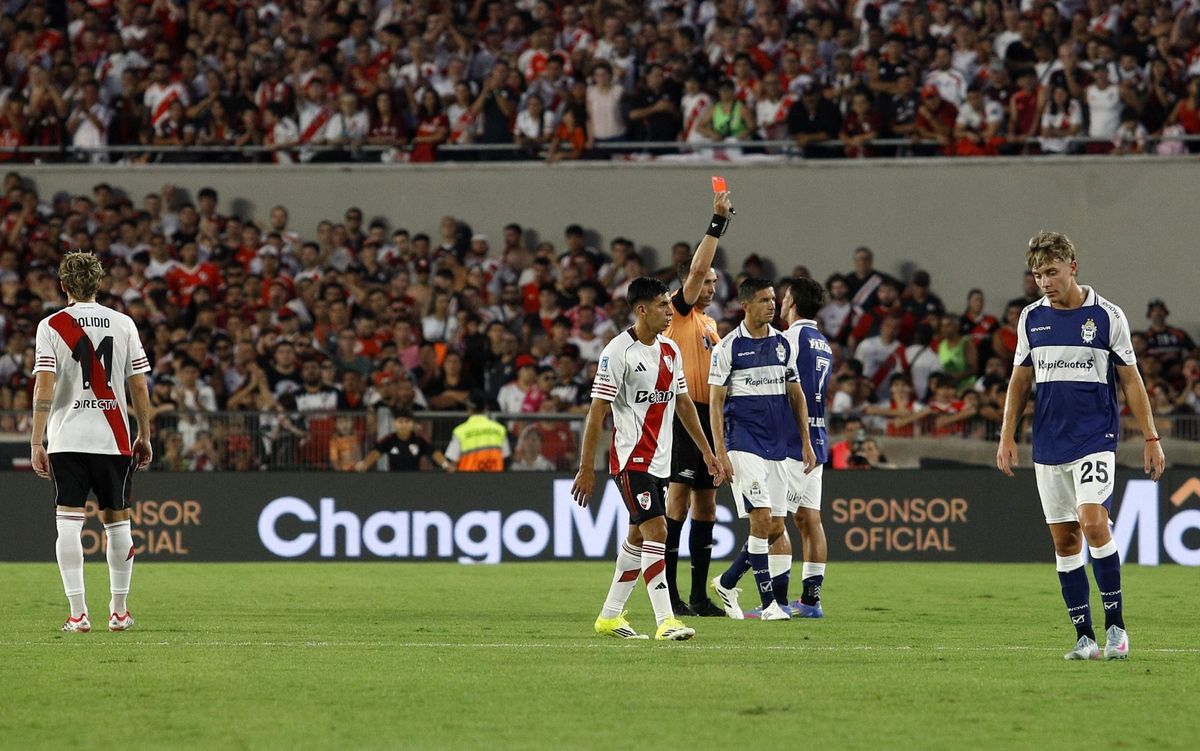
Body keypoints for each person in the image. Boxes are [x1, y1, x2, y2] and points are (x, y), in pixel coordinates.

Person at [997, 231, 1166, 661]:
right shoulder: (1032, 318)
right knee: (1065, 541)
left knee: (1093, 523)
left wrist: (1150, 437)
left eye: (1052, 272)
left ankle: (1116, 630)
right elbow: (1020, 379)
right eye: (1038, 275)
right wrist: (1006, 434)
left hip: (1095, 438)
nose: (1045, 282)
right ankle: (1084, 637)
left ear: (1073, 267)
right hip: (1048, 443)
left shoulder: (1108, 316)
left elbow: (1130, 378)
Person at [571, 277, 723, 641]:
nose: (670, 311)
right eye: (662, 305)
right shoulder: (617, 352)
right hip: (631, 461)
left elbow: (684, 404)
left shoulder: (670, 351)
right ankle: (666, 620)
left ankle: (610, 616)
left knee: (638, 539)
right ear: (641, 309)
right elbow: (597, 413)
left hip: (661, 462)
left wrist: (707, 452)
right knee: (658, 531)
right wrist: (585, 467)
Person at [30, 251, 154, 633]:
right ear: (99, 283)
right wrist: (144, 434)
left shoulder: (51, 325)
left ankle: (78, 614)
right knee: (117, 524)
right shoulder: (124, 324)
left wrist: (37, 440)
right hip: (113, 436)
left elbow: (44, 386)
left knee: (68, 523)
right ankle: (119, 612)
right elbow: (138, 385)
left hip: (67, 437)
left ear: (63, 285)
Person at [709, 278, 817, 621]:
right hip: (744, 442)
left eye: (773, 299)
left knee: (773, 527)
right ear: (746, 305)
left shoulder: (783, 344)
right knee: (760, 518)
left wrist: (805, 440)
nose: (772, 305)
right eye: (764, 300)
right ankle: (770, 604)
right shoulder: (728, 347)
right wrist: (720, 451)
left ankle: (727, 583)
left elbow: (796, 394)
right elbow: (715, 401)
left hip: (778, 446)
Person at [661, 190, 732, 618]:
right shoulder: (679, 312)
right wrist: (717, 222)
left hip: (709, 417)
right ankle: (668, 594)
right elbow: (699, 264)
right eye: (705, 282)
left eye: (713, 284)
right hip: (681, 414)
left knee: (707, 505)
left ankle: (700, 595)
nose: (709, 286)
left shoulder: (709, 324)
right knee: (678, 501)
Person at [752, 277, 833, 619]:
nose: (780, 303)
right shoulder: (823, 342)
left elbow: (783, 387)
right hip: (817, 437)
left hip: (789, 440)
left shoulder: (790, 338)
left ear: (793, 303)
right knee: (809, 518)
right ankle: (811, 601)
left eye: (784, 298)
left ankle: (778, 601)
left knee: (776, 521)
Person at [355, 409, 448, 472]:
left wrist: (445, 464)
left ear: (412, 423)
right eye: (400, 421)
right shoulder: (389, 440)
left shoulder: (419, 440)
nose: (403, 425)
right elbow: (375, 453)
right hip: (394, 479)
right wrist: (365, 464)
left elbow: (434, 453)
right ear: (394, 423)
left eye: (407, 421)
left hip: (415, 479)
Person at [444, 395, 510, 472]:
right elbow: (506, 459)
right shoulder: (500, 429)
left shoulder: (460, 431)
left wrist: (444, 465)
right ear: (485, 408)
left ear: (469, 408)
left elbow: (451, 463)